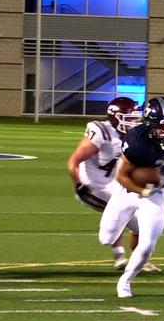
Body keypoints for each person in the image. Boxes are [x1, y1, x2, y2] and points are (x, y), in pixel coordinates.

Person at [98, 96, 164, 298]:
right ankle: (131, 223)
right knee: (105, 237)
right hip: (128, 190)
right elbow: (121, 175)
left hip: (157, 194)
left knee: (148, 245)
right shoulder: (136, 140)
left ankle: (125, 282)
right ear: (149, 125)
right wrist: (142, 191)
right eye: (161, 127)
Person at [66, 97, 159, 272]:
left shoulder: (133, 136)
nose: (134, 121)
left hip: (113, 184)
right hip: (93, 185)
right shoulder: (102, 133)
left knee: (141, 219)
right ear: (116, 117)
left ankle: (138, 259)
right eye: (129, 117)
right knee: (122, 214)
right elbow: (73, 162)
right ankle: (120, 257)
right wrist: (79, 186)